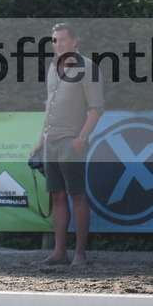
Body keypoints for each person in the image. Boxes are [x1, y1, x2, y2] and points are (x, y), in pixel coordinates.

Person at [33, 22, 104, 266]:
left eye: (62, 39)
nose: (58, 44)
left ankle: (80, 254)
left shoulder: (88, 67)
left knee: (77, 196)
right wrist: (40, 140)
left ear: (75, 40)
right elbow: (48, 106)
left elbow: (96, 108)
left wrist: (81, 139)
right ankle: (59, 253)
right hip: (51, 141)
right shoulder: (52, 68)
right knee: (57, 197)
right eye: (54, 40)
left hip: (71, 141)